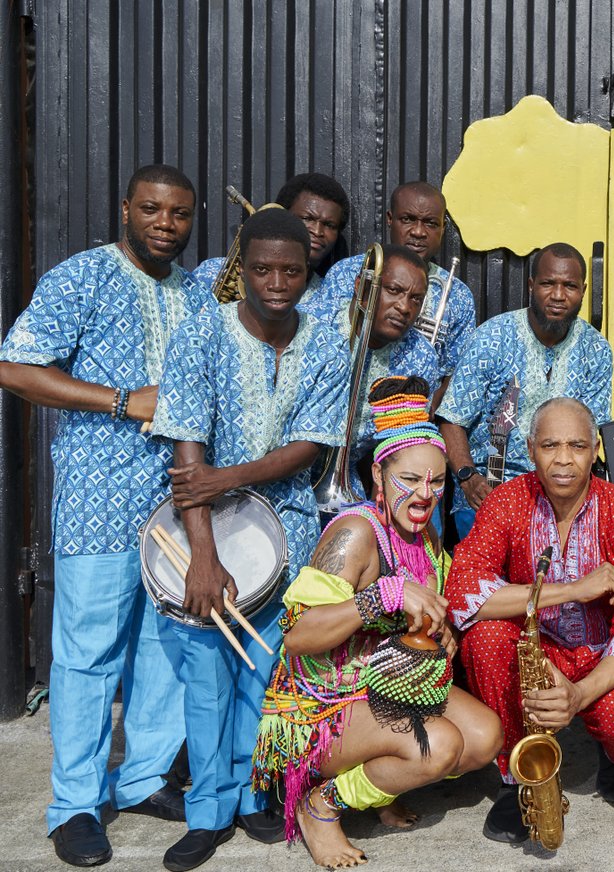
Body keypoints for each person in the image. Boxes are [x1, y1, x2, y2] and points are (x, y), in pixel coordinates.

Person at [0, 164, 207, 867]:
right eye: (150, 208)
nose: (164, 223)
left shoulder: (196, 290)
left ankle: (144, 776)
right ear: (126, 208)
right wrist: (123, 400)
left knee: (167, 644)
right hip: (98, 497)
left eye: (178, 213)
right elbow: (16, 367)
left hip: (175, 501)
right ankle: (75, 805)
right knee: (88, 655)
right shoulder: (81, 276)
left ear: (192, 218)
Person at [151, 208, 350, 870]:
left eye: (290, 270)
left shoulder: (326, 341)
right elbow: (186, 454)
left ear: (306, 271)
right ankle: (207, 811)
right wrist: (203, 558)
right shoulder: (201, 334)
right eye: (261, 268)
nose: (276, 282)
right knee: (207, 675)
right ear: (242, 268)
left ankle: (253, 797)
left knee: (266, 676)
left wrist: (222, 478)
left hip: (288, 526)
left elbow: (310, 446)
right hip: (203, 531)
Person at [252, 375, 502, 869]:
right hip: (322, 708)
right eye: (409, 480)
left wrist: (441, 630)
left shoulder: (425, 535)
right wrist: (380, 597)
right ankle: (320, 805)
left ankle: (376, 785)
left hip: (385, 688)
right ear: (378, 481)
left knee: (486, 736)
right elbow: (299, 636)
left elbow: (432, 606)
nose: (424, 493)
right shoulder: (354, 534)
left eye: (435, 481)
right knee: (441, 746)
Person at [445, 397, 614, 844]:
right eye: (550, 446)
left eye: (577, 446)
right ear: (531, 450)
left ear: (594, 450)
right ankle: (519, 775)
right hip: (539, 651)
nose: (563, 460)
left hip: (601, 659)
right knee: (487, 638)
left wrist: (580, 693)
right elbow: (462, 592)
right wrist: (573, 589)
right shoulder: (507, 502)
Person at [437, 242, 612, 539]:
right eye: (548, 284)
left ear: (583, 290)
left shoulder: (596, 350)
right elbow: (452, 418)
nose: (558, 295)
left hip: (563, 496)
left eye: (569, 286)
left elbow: (590, 433)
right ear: (531, 285)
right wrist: (468, 478)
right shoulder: (493, 336)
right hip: (489, 488)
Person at [304, 181, 476, 404]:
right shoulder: (346, 272)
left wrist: (426, 409)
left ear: (443, 228)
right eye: (407, 219)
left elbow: (455, 371)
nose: (418, 232)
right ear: (389, 219)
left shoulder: (459, 295)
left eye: (431, 224)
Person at [323, 244, 440, 501]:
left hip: (347, 482)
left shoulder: (420, 357)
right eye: (394, 291)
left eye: (416, 299)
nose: (404, 307)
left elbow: (400, 448)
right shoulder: (315, 324)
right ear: (362, 287)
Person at [193, 172, 350, 294]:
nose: (317, 231)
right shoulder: (211, 273)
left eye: (329, 225)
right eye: (307, 218)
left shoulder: (330, 298)